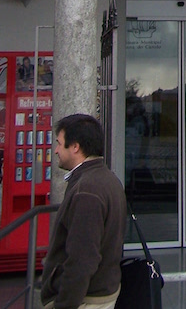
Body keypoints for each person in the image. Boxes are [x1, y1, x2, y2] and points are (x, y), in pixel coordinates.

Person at [40, 114, 127, 309]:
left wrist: (63, 304)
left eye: (59, 143)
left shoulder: (87, 191)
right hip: (102, 291)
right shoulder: (108, 179)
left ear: (75, 147)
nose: (55, 150)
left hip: (86, 300)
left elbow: (82, 260)